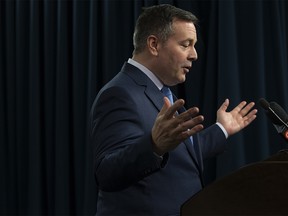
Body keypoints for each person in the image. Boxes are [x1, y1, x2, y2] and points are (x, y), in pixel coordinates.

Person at [89, 4, 257, 215]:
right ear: (153, 44)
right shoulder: (119, 94)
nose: (194, 55)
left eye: (194, 45)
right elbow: (106, 173)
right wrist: (153, 145)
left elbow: (179, 154)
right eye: (186, 44)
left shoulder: (161, 93)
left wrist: (222, 129)